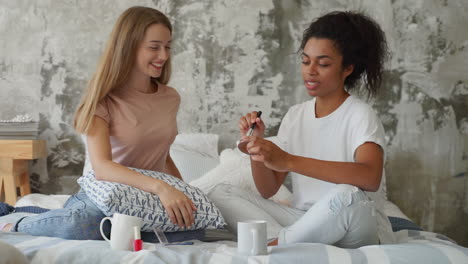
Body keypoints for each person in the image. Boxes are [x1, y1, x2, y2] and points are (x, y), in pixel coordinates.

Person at [0, 6, 196, 239]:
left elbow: (163, 154)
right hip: (103, 194)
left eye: (167, 47)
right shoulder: (102, 100)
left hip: (147, 199)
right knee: (84, 224)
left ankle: (61, 216)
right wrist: (161, 187)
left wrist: (181, 193)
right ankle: (18, 223)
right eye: (154, 47)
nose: (163, 56)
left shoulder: (170, 98)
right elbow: (102, 167)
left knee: (190, 231)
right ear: (128, 48)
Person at [209, 11, 394, 248]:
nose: (310, 70)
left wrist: (288, 160)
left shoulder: (359, 114)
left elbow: (370, 177)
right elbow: (267, 190)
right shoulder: (296, 116)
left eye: (323, 63)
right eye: (306, 61)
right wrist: (257, 145)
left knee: (348, 195)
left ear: (347, 68)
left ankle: (277, 245)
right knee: (220, 193)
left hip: (355, 224)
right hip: (306, 221)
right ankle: (291, 241)